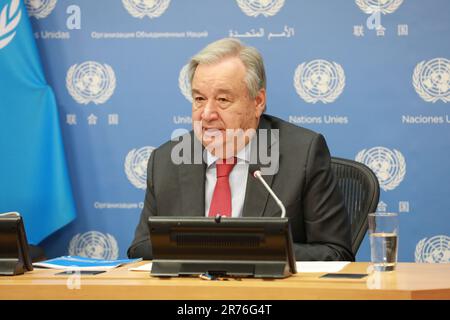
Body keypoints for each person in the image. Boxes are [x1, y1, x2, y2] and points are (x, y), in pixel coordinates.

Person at [128, 38, 354, 261]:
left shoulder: (303, 154)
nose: (206, 114)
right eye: (199, 98)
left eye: (223, 99)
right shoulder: (166, 160)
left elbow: (335, 252)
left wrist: (244, 251)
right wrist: (208, 251)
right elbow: (140, 248)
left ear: (257, 102)